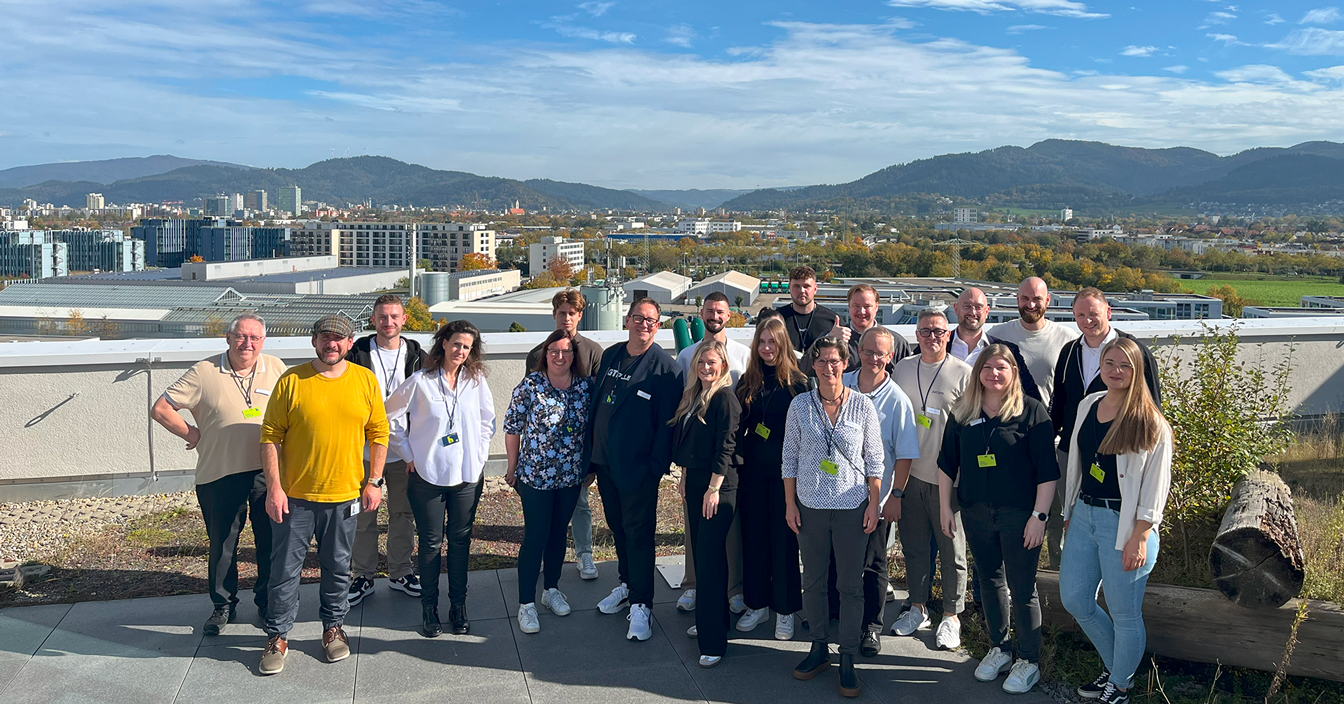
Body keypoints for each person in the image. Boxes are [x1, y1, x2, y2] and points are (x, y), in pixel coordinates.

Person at [257, 315, 389, 676]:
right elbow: (270, 436)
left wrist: (374, 481)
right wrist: (274, 488)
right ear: (314, 341)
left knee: (337, 567)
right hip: (295, 497)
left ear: (349, 344)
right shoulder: (292, 380)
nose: (332, 344)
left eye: (339, 339)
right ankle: (277, 636)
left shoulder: (364, 380)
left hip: (345, 495)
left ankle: (333, 629)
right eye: (325, 338)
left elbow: (379, 432)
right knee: (284, 571)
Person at [151, 313, 286, 636]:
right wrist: (192, 435)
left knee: (270, 541)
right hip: (220, 473)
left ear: (263, 341)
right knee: (223, 544)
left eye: (254, 338)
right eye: (241, 336)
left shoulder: (276, 368)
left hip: (268, 473)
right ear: (228, 338)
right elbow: (161, 408)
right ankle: (223, 605)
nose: (247, 344)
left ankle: (267, 602)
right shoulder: (204, 371)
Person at [938, 344, 1058, 695]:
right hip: (976, 511)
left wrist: (1039, 516)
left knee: (1022, 588)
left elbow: (1047, 473)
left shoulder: (1032, 412)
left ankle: (1029, 659)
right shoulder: (962, 412)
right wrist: (946, 508)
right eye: (987, 367)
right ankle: (1000, 648)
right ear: (978, 373)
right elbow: (947, 463)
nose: (993, 373)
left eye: (1001, 367)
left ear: (1013, 373)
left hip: (1019, 515)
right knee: (989, 580)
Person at [1059, 338, 1172, 704]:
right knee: (1076, 599)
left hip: (1124, 525)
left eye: (1124, 365)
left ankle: (1120, 686)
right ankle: (1117, 667)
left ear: (1137, 370)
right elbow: (1077, 463)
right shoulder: (1088, 404)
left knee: (1125, 613)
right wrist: (1070, 510)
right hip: (1084, 514)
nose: (1116, 370)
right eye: (1109, 363)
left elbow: (1156, 487)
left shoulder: (1151, 422)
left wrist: (1140, 535)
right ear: (1101, 367)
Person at [782, 336, 884, 699]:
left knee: (850, 585)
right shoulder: (799, 406)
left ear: (846, 364)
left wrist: (874, 504)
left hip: (852, 506)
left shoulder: (862, 406)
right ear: (813, 366)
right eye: (822, 361)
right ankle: (818, 647)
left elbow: (875, 460)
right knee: (813, 581)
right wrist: (790, 504)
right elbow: (789, 460)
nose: (829, 367)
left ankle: (848, 657)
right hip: (809, 506)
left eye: (835, 361)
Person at [384, 320, 496, 638]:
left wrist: (480, 454)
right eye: (457, 344)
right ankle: (429, 608)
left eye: (467, 347)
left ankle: (457, 607)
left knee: (460, 543)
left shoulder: (475, 381)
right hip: (427, 475)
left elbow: (488, 419)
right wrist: (408, 455)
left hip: (466, 476)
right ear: (444, 343)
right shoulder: (421, 381)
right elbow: (388, 416)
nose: (461, 351)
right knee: (431, 544)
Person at [587, 298, 683, 642]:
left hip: (639, 469)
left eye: (652, 321)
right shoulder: (611, 355)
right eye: (640, 318)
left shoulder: (665, 369)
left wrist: (654, 469)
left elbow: (667, 427)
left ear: (658, 327)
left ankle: (642, 605)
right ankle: (626, 585)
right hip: (605, 465)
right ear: (627, 320)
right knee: (619, 529)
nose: (645, 324)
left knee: (639, 535)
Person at [1048, 288, 1162, 570]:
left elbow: (1153, 405)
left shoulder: (1134, 351)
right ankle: (1068, 576)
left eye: (1094, 314)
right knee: (1068, 516)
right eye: (1081, 315)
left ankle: (1112, 574)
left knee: (1115, 523)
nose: (1088, 320)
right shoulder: (1070, 351)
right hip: (1075, 450)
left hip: (1120, 453)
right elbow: (1059, 401)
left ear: (1108, 312)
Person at [889, 309, 972, 650]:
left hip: (946, 479)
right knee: (914, 546)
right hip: (909, 474)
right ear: (916, 335)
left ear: (949, 334)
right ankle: (918, 606)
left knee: (951, 549)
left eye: (938, 331)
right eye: (925, 331)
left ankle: (952, 615)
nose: (932, 337)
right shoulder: (903, 369)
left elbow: (969, 430)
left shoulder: (963, 374)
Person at [505, 330, 594, 634]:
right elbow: (512, 427)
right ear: (545, 355)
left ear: (574, 356)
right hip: (535, 477)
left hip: (570, 476)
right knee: (536, 535)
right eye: (553, 351)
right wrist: (512, 466)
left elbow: (593, 428)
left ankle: (551, 589)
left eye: (566, 352)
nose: (560, 357)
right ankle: (525, 604)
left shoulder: (585, 387)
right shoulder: (531, 385)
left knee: (558, 534)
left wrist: (590, 466)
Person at [841, 326, 919, 657]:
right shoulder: (841, 384)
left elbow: (904, 455)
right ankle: (836, 612)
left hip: (877, 497)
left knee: (873, 563)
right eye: (868, 351)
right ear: (858, 350)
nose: (873, 359)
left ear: (890, 357)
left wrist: (896, 497)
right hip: (837, 493)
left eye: (880, 354)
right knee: (838, 558)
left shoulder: (897, 400)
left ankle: (871, 627)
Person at [346, 294, 427, 605]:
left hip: (406, 449)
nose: (388, 322)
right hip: (363, 450)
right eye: (382, 316)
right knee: (363, 515)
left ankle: (400, 572)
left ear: (404, 320)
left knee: (403, 514)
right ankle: (363, 575)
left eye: (394, 316)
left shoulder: (419, 355)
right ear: (373, 319)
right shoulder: (357, 353)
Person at [675, 291, 751, 616]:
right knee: (695, 527)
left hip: (728, 458)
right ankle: (694, 585)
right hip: (697, 461)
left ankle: (734, 588)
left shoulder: (743, 354)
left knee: (729, 526)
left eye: (720, 311)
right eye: (709, 310)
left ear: (729, 314)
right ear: (701, 313)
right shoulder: (687, 355)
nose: (715, 316)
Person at [735, 316, 810, 641]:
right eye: (762, 342)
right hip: (752, 475)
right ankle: (756, 603)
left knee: (784, 542)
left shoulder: (799, 384)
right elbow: (737, 429)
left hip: (786, 479)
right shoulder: (747, 381)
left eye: (773, 343)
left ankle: (785, 609)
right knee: (754, 540)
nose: (767, 348)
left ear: (782, 345)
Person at [671, 339, 742, 668]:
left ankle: (713, 642)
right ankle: (715, 619)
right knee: (704, 558)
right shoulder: (696, 395)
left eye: (712, 362)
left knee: (710, 562)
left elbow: (725, 448)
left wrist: (713, 489)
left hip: (718, 487)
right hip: (698, 482)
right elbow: (690, 444)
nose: (706, 367)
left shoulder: (725, 398)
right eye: (701, 362)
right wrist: (686, 477)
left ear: (723, 365)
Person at [525, 289, 605, 581]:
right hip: (544, 455)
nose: (567, 317)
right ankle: (549, 557)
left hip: (578, 449)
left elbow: (596, 409)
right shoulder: (538, 353)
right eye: (562, 312)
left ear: (580, 316)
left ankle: (585, 554)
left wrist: (592, 457)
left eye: (572, 313)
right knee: (545, 512)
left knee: (580, 503)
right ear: (554, 315)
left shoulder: (595, 352)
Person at [986, 277, 1078, 409]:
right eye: (1025, 298)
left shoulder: (1067, 339)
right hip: (1005, 422)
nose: (1031, 305)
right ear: (1017, 299)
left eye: (1037, 299)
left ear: (1047, 300)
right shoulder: (996, 336)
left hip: (1048, 423)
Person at [953, 287, 1043, 401]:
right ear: (956, 309)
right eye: (967, 306)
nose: (972, 312)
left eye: (978, 307)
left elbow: (1031, 396)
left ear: (986, 312)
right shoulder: (937, 346)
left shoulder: (1009, 351)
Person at [776, 265, 842, 363]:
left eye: (806, 286)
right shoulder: (777, 319)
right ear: (789, 288)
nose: (801, 291)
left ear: (815, 289)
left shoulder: (833, 320)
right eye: (796, 286)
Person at [843, 283, 911, 373]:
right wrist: (831, 340)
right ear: (849, 307)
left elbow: (905, 377)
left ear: (876, 307)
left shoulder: (897, 342)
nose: (861, 311)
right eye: (856, 306)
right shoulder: (836, 339)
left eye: (867, 306)